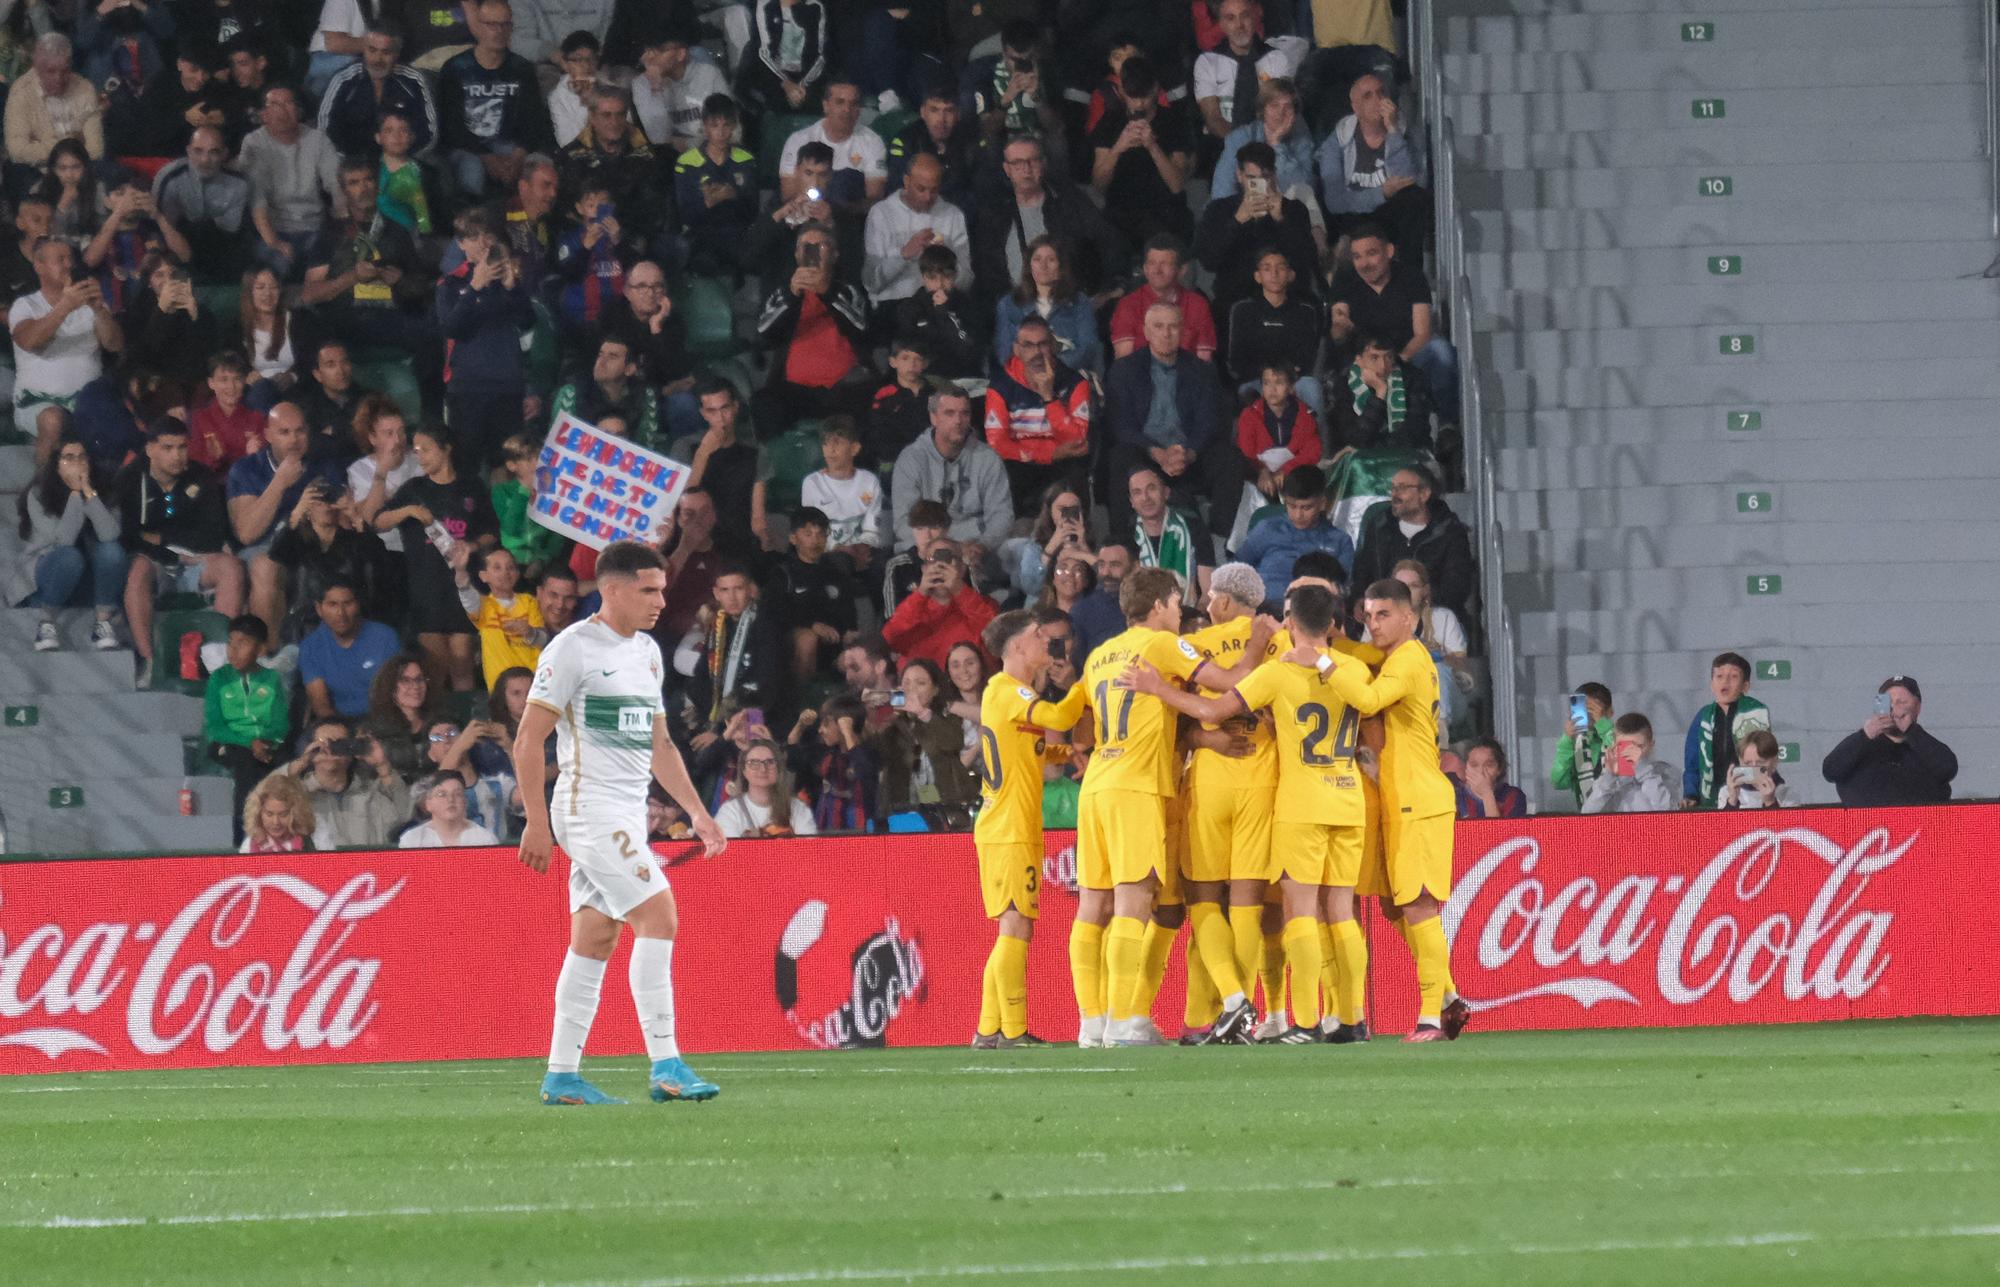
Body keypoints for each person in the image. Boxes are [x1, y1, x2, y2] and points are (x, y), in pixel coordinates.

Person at [514, 539, 728, 1106]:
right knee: (659, 915)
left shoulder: (648, 653)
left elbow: (659, 744)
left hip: (627, 813)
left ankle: (562, 1075)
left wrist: (699, 813)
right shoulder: (573, 649)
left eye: (661, 589)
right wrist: (536, 821)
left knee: (596, 936)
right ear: (612, 590)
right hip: (587, 810)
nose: (661, 600)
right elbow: (528, 738)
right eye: (649, 590)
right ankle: (667, 1065)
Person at [1076, 567, 1273, 1047]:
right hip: (1137, 788)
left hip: (1098, 783)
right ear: (1161, 604)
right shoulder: (1161, 645)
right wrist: (1258, 640)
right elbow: (1232, 682)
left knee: (1093, 908)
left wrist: (1189, 733)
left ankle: (1094, 1022)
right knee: (1133, 901)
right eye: (1176, 603)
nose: (1181, 611)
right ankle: (1124, 1022)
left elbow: (1082, 731)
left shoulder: (1100, 655)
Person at [1308, 575, 1470, 1041]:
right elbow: (1366, 664)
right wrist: (1336, 643)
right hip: (1401, 798)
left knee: (1419, 906)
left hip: (1419, 798)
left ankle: (1430, 1018)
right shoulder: (1394, 658)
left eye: (1384, 615)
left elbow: (1369, 698)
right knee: (1397, 908)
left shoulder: (1409, 661)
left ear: (1410, 618)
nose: (1374, 624)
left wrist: (1319, 656)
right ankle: (1448, 999)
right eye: (1369, 615)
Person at [965, 609, 1085, 1047]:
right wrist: (1088, 684)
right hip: (1008, 827)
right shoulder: (1006, 689)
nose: (1045, 641)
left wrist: (1065, 755)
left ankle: (988, 1028)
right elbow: (1054, 718)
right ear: (1016, 646)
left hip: (1012, 823)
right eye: (1037, 635)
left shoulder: (1008, 695)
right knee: (1016, 926)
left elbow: (1028, 752)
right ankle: (1012, 1030)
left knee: (1013, 926)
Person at [117, 418, 246, 679]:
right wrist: (170, 548)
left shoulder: (201, 476)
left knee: (231, 567)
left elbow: (212, 535)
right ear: (150, 449)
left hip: (195, 562)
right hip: (154, 564)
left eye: (182, 447)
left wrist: (160, 537)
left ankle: (220, 660)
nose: (177, 456)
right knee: (138, 569)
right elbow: (128, 536)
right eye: (168, 448)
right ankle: (150, 662)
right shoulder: (130, 480)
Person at [1104, 303, 1240, 544]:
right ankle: (1121, 543)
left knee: (1229, 459)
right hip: (1145, 455)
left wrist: (1188, 453)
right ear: (1146, 332)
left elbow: (1209, 421)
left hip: (1188, 457)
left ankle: (1220, 542)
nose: (1166, 334)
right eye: (1158, 327)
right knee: (1118, 457)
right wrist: (1157, 453)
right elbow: (1121, 425)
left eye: (1173, 327)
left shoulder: (1202, 370)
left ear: (1182, 331)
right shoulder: (1124, 369)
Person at [377, 422, 497, 689]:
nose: (420, 457)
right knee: (435, 668)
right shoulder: (414, 488)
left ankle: (466, 719)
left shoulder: (471, 486)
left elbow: (491, 532)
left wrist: (472, 546)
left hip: (462, 585)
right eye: (417, 451)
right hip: (426, 587)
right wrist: (408, 511)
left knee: (463, 662)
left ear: (446, 449)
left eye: (427, 450)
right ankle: (440, 726)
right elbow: (379, 521)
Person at [229, 401, 344, 642]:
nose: (294, 440)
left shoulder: (323, 465)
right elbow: (246, 533)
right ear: (268, 435)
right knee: (265, 566)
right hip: (264, 548)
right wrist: (280, 482)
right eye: (285, 432)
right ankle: (272, 655)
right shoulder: (247, 469)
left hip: (312, 545)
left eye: (300, 431)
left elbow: (344, 511)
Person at [971, 132, 1123, 306]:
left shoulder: (1069, 201)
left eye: (1033, 161)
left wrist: (1106, 289)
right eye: (1018, 163)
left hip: (1068, 302)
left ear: (1043, 163)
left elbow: (1108, 241)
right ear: (1007, 169)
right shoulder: (994, 212)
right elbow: (986, 267)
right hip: (1016, 306)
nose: (1026, 169)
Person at [436, 210, 535, 475]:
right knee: (464, 466)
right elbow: (451, 327)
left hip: (507, 386)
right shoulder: (450, 283)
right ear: (461, 243)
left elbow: (527, 321)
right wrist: (474, 288)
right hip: (467, 389)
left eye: (486, 236)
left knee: (507, 466)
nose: (482, 243)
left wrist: (512, 286)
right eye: (473, 237)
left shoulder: (507, 283)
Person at [1329, 223, 1456, 423]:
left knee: (1440, 350)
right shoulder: (1345, 279)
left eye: (1371, 253)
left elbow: (1423, 333)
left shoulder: (1411, 277)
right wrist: (1340, 326)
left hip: (1407, 357)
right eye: (1357, 257)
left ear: (1389, 251)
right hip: (1364, 362)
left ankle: (1447, 425)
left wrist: (1394, 364)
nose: (1364, 263)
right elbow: (1338, 333)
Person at [10, 432, 125, 652]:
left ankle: (102, 622)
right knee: (70, 556)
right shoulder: (38, 494)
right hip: (49, 575)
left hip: (90, 579)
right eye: (69, 458)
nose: (77, 464)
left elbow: (110, 534)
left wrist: (89, 495)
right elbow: (64, 540)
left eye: (82, 457)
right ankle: (46, 622)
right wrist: (74, 494)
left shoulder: (105, 490)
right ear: (57, 465)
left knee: (113, 551)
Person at [437, 0, 556, 199]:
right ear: (478, 25)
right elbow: (451, 126)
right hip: (468, 148)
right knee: (472, 170)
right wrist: (486, 157)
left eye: (504, 24)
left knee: (539, 168)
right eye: (491, 24)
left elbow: (533, 121)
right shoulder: (455, 68)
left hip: (511, 147)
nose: (499, 31)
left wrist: (518, 156)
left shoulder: (522, 69)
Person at [1196, 142, 1320, 330]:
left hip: (1286, 297)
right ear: (1239, 176)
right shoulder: (1219, 210)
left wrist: (1281, 220)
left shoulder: (1294, 210)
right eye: (1251, 178)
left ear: (1274, 175)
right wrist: (1237, 220)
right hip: (1236, 298)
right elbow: (1208, 260)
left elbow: (1306, 260)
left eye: (1265, 177)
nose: (1259, 184)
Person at [11, 237, 122, 439]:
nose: (68, 264)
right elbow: (29, 341)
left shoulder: (91, 303)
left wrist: (99, 310)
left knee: (118, 415)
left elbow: (114, 345)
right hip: (39, 403)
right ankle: (46, 472)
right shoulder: (26, 305)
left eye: (70, 258)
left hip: (88, 400)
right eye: (60, 259)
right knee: (54, 420)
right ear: (39, 266)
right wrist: (66, 305)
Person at [888, 386, 1014, 562]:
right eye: (949, 413)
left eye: (964, 414)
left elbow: (1002, 515)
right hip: (924, 550)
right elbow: (904, 522)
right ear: (933, 417)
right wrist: (941, 549)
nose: (958, 421)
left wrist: (983, 545)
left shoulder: (988, 458)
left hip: (977, 550)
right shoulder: (911, 459)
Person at [983, 315, 1092, 513]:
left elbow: (1077, 441)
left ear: (1053, 346)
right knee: (1000, 470)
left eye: (1042, 344)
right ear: (1016, 349)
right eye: (1028, 345)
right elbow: (997, 444)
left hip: (1062, 464)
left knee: (1076, 473)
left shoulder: (1075, 383)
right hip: (1020, 465)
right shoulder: (1000, 387)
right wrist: (1050, 453)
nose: (1036, 353)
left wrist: (1049, 398)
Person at [1317, 73, 1427, 262]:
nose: (1377, 100)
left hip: (1392, 215)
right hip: (1354, 217)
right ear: (1355, 107)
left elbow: (1410, 183)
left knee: (1414, 199)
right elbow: (1335, 202)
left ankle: (1409, 275)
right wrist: (1381, 193)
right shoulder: (1337, 141)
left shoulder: (1406, 132)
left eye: (1381, 93)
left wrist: (1393, 130)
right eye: (1368, 96)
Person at [238, 85, 346, 277]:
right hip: (274, 228)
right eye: (275, 104)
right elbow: (257, 198)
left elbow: (336, 184)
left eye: (288, 103)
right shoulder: (254, 142)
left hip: (314, 226)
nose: (282, 110)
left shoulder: (317, 139)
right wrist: (274, 242)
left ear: (299, 110)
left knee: (336, 261)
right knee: (275, 268)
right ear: (263, 114)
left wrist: (344, 221)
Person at [1086, 57, 1194, 248]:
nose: (1139, 104)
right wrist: (1119, 147)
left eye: (1144, 96)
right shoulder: (1109, 123)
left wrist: (1153, 146)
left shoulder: (1175, 122)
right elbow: (1098, 185)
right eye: (1132, 97)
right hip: (1121, 210)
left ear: (1155, 89)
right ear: (1121, 92)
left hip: (1165, 210)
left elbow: (1177, 184)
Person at [1349, 465, 1475, 620]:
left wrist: (1419, 601)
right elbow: (1362, 573)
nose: (1394, 494)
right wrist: (1359, 599)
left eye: (1402, 488)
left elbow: (1457, 587)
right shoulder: (1379, 527)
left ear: (1424, 494)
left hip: (1433, 618)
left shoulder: (1449, 531)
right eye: (1393, 488)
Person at [1821, 676, 1958, 807]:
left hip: (1921, 827)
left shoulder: (1925, 747)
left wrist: (1911, 731)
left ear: (1917, 707)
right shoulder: (1862, 746)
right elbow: (1831, 771)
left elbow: (1948, 769)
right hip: (1868, 828)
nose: (1893, 708)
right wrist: (1865, 735)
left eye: (1902, 702)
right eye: (1888, 702)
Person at [279, 713, 412, 847]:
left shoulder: (371, 793)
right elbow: (262, 799)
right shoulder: (298, 796)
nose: (329, 749)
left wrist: (382, 765)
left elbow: (405, 815)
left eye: (339, 744)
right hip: (319, 866)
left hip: (369, 866)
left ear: (351, 750)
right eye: (321, 744)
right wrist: (302, 762)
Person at [760, 506, 856, 684]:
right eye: (808, 534)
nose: (815, 540)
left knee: (864, 648)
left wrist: (849, 634)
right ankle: (800, 701)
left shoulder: (837, 574)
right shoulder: (782, 573)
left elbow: (849, 617)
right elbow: (774, 613)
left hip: (834, 642)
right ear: (793, 538)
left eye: (821, 534)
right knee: (807, 639)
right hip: (793, 643)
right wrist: (812, 626)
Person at [861, 153, 969, 311]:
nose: (927, 197)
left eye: (934, 190)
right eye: (921, 189)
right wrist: (904, 255)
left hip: (939, 305)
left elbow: (967, 281)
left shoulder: (952, 215)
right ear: (906, 181)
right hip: (893, 306)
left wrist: (946, 259)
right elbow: (871, 283)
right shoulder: (882, 214)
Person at [317, 24, 441, 159]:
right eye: (372, 50)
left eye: (386, 52)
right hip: (353, 164)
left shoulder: (414, 80)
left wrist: (400, 164)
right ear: (364, 50)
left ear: (397, 54)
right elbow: (326, 131)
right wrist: (353, 164)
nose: (378, 59)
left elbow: (429, 133)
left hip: (404, 162)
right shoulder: (343, 79)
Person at [1235, 465, 1353, 606]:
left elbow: (1345, 588)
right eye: (1292, 506)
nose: (1298, 515)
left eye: (1306, 507)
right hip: (1261, 608)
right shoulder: (1267, 529)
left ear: (1322, 503)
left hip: (1310, 614)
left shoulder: (1339, 541)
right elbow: (1236, 568)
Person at [151, 127, 256, 286]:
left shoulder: (239, 183)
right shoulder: (169, 178)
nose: (205, 160)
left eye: (213, 152)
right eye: (198, 151)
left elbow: (229, 235)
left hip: (220, 249)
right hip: (174, 247)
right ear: (188, 151)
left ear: (224, 154)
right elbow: (160, 229)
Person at [1193, 0, 1307, 141]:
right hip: (1223, 146)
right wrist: (1243, 145)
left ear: (1256, 15)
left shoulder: (1277, 58)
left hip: (1269, 144)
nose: (1239, 25)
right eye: (1231, 18)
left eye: (1245, 15)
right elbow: (1213, 119)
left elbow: (1281, 113)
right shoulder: (1207, 62)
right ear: (1221, 24)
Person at [876, 656, 978, 813]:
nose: (911, 689)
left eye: (920, 683)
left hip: (943, 801)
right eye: (906, 683)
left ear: (935, 690)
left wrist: (923, 713)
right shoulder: (895, 724)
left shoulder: (948, 718)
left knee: (931, 818)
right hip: (903, 803)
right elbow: (878, 754)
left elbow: (952, 743)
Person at [682, 378, 769, 563]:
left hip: (738, 537)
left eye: (725, 408)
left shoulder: (755, 451)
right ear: (703, 413)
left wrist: (763, 537)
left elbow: (757, 514)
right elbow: (682, 501)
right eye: (711, 411)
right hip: (697, 538)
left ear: (736, 407)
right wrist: (703, 454)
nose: (720, 418)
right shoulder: (686, 446)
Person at [672, 93, 757, 279]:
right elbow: (684, 215)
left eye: (726, 125)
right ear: (704, 126)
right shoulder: (687, 162)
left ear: (734, 125)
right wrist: (708, 203)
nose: (721, 132)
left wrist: (734, 196)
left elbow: (753, 212)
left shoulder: (746, 160)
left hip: (736, 234)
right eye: (714, 125)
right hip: (701, 234)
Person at [992, 235, 1102, 376]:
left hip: (1070, 377)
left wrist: (1054, 368)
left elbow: (1088, 348)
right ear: (1029, 265)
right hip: (1025, 382)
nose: (1043, 266)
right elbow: (1004, 354)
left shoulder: (1079, 302)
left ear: (1061, 266)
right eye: (1037, 259)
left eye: (1051, 260)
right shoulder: (1009, 304)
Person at [882, 540, 998, 667]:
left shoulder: (983, 604)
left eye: (948, 558)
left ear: (962, 568)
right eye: (933, 559)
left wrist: (959, 590)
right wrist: (920, 593)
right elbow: (890, 639)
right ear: (924, 569)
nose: (940, 566)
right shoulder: (913, 608)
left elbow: (994, 634)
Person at [299, 577, 401, 719]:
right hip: (338, 721)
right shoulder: (310, 646)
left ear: (358, 604)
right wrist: (335, 727)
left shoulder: (385, 636)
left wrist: (375, 728)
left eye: (347, 603)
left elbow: (397, 692)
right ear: (319, 609)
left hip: (383, 719)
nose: (341, 613)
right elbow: (320, 703)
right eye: (332, 604)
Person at [4, 34, 104, 179]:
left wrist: (67, 161)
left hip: (81, 167)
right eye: (51, 71)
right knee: (19, 174)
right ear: (37, 68)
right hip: (41, 170)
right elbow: (17, 150)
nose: (58, 78)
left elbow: (96, 149)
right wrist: (66, 145)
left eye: (64, 71)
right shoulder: (21, 91)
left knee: (114, 173)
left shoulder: (85, 88)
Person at [1680, 652, 1770, 809]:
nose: (1725, 682)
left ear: (1745, 686)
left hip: (1748, 801)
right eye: (1719, 676)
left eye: (1733, 676)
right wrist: (1691, 794)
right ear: (1712, 684)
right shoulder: (1703, 717)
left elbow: (1766, 757)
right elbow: (1692, 763)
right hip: (1710, 802)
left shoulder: (1756, 713)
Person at [1108, 236, 1216, 363]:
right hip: (1139, 379)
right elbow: (1124, 362)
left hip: (1189, 379)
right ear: (1145, 269)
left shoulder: (1198, 305)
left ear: (1181, 270)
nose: (1157, 270)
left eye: (1165, 264)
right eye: (1152, 263)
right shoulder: (1128, 305)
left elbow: (1204, 360)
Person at [1212, 79, 1316, 203]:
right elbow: (1222, 190)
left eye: (1288, 106)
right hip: (1245, 208)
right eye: (1274, 105)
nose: (1281, 113)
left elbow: (1304, 189)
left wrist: (1276, 143)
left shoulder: (1301, 139)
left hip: (1288, 211)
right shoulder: (1240, 138)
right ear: (1263, 109)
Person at [800, 418, 884, 571]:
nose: (830, 450)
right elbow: (812, 530)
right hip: (828, 555)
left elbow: (872, 527)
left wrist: (859, 548)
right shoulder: (812, 483)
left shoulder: (869, 481)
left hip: (862, 552)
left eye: (837, 443)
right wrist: (840, 550)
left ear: (854, 448)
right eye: (826, 443)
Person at [632, 26, 728, 156]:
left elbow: (729, 132)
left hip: (713, 154)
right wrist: (655, 88)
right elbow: (659, 138)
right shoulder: (642, 84)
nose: (650, 57)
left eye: (659, 50)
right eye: (648, 50)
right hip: (673, 158)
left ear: (680, 54)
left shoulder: (709, 74)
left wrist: (687, 144)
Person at [1235, 362, 1321, 507]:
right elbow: (1246, 452)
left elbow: (1313, 452)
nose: (1272, 390)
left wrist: (1286, 470)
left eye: (1279, 383)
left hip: (1294, 473)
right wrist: (1262, 470)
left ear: (1291, 387)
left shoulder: (1305, 415)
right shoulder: (1249, 415)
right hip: (1259, 475)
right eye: (1267, 383)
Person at [740, 0, 829, 119]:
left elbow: (820, 55)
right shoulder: (765, 5)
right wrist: (785, 83)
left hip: (805, 82)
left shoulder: (815, 7)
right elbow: (763, 52)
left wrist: (802, 85)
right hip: (770, 77)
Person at [714, 737, 816, 837]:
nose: (763, 769)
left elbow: (809, 850)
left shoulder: (798, 808)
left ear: (779, 768)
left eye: (770, 762)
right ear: (743, 771)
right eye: (754, 763)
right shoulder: (730, 811)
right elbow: (729, 852)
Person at [1583, 713, 1679, 815]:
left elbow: (1670, 815)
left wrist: (1643, 770)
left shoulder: (1665, 773)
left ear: (1651, 745)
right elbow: (1586, 816)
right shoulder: (1609, 781)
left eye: (1639, 746)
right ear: (1614, 747)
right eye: (1624, 746)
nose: (1631, 753)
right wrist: (1610, 778)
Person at [1551, 681, 1615, 809]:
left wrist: (1602, 723)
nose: (1589, 715)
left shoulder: (1621, 736)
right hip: (1586, 821)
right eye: (1584, 709)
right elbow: (1558, 782)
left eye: (1594, 710)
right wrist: (1567, 741)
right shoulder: (1574, 744)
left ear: (1609, 712)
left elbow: (1624, 765)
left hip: (1622, 817)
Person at [400, 772, 503, 847]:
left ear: (465, 801)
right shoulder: (412, 840)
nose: (450, 800)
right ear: (428, 804)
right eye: (442, 794)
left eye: (457, 794)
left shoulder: (484, 839)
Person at [1717, 729, 1796, 810]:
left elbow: (1784, 823)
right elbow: (1724, 822)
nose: (1753, 767)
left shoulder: (1787, 794)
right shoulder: (1727, 793)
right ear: (1740, 761)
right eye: (1747, 763)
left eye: (1760, 762)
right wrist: (1732, 802)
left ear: (1774, 762)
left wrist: (1770, 802)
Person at [241, 772, 318, 852]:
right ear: (258, 813)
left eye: (283, 814)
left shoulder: (306, 842)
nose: (276, 822)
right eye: (269, 814)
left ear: (296, 814)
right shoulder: (248, 846)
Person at [1457, 738, 1528, 819]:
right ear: (1465, 768)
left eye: (1489, 765)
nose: (1481, 771)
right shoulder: (1455, 796)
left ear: (1499, 769)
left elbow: (1497, 831)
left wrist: (1487, 793)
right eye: (1474, 765)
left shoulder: (1513, 796)